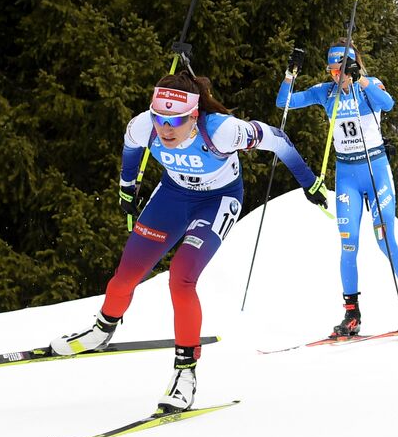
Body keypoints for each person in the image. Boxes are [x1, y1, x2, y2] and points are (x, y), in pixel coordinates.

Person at [51, 73, 322, 413]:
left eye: (175, 120)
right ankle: (101, 330)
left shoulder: (223, 130)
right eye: (159, 118)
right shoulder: (143, 125)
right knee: (125, 275)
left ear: (194, 115)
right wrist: (127, 187)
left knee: (180, 279)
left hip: (218, 200)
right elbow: (131, 147)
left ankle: (185, 374)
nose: (165, 128)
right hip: (173, 198)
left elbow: (279, 139)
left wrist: (309, 183)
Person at [277, 41, 398, 337]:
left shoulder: (369, 86)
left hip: (376, 170)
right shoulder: (325, 92)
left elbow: (388, 104)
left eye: (342, 70)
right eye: (332, 70)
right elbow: (285, 102)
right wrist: (290, 74)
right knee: (348, 244)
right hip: (346, 174)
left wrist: (362, 79)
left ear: (353, 67)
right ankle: (351, 314)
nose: (336, 76)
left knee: (384, 240)